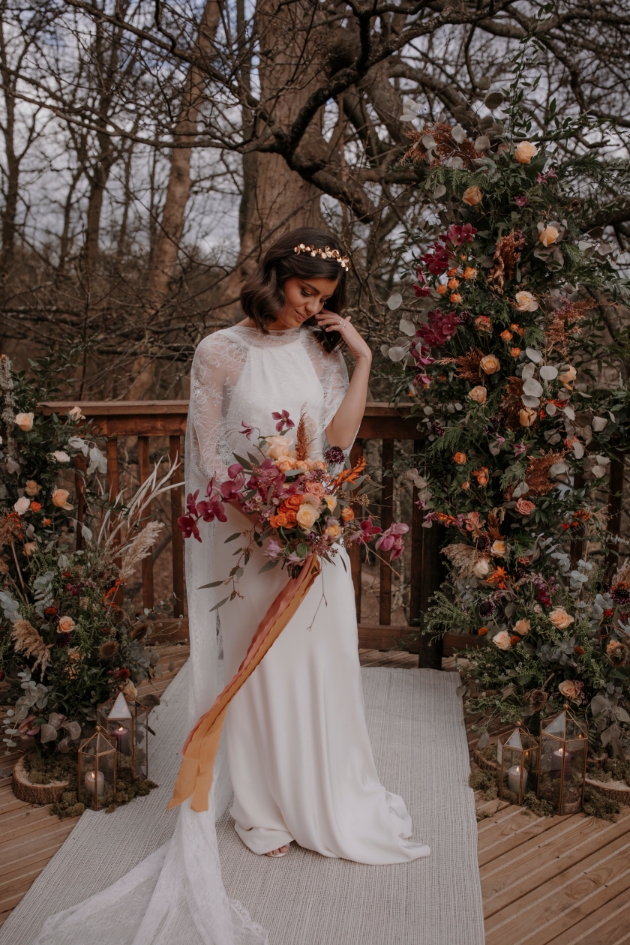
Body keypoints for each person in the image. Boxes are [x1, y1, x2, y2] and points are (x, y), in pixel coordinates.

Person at [188, 227, 431, 863]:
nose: (310, 305)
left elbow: (332, 448)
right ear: (276, 278)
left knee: (318, 668)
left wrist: (362, 361)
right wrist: (262, 511)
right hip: (251, 535)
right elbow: (208, 452)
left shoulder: (321, 352)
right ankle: (263, 806)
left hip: (311, 534)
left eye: (322, 296)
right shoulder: (219, 351)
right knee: (260, 670)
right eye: (303, 290)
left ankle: (324, 794)